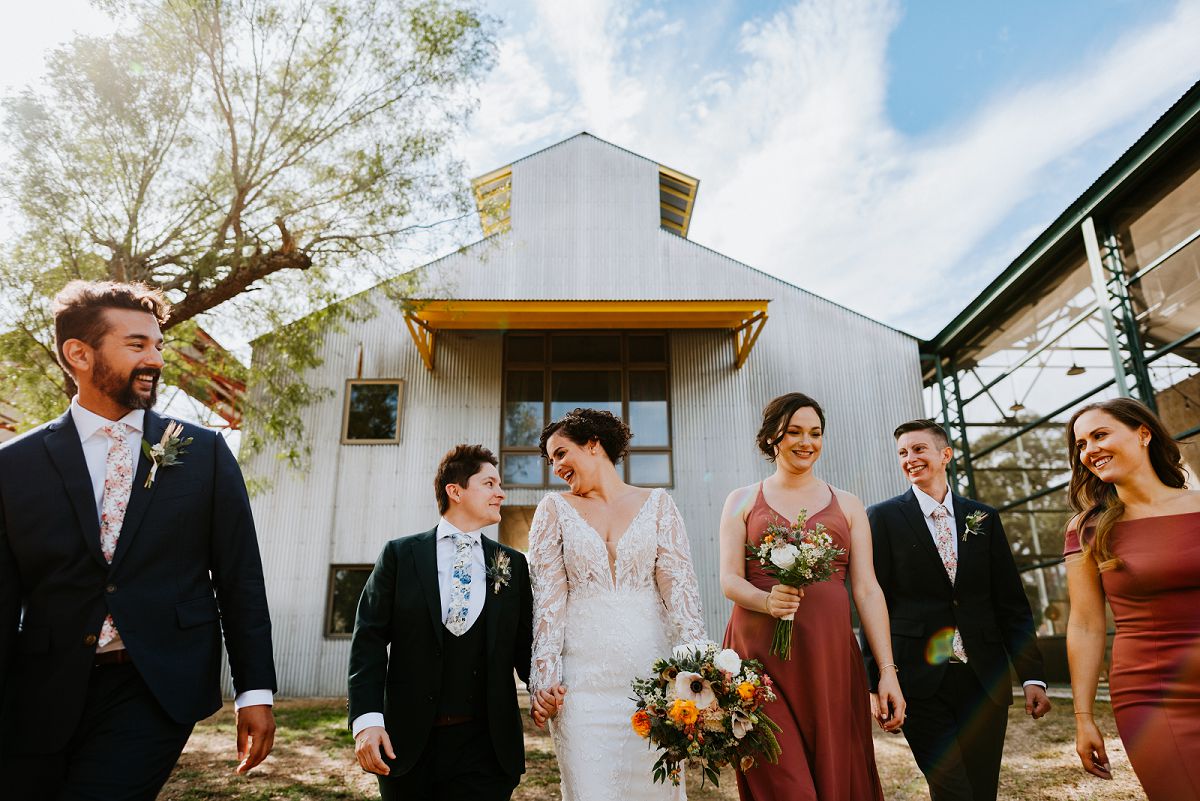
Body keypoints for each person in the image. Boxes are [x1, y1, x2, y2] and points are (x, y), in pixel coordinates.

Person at [0, 280, 277, 801]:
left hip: (155, 685)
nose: (156, 359)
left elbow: (240, 577)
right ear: (78, 354)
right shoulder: (13, 465)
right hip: (39, 688)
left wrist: (254, 690)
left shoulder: (205, 454)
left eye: (158, 346)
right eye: (137, 345)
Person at [720, 392, 901, 801]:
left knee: (835, 776)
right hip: (758, 660)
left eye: (816, 433)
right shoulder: (742, 500)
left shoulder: (849, 505)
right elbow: (729, 580)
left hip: (828, 660)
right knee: (784, 782)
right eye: (795, 432)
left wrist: (887, 670)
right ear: (772, 439)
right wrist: (766, 601)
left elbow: (868, 589)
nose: (807, 442)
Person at [864, 418, 1050, 801]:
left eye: (919, 449)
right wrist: (876, 680)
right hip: (919, 679)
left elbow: (1011, 602)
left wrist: (1032, 676)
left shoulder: (982, 517)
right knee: (951, 788)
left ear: (945, 454)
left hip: (983, 679)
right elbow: (871, 601)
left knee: (982, 789)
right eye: (902, 453)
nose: (910, 458)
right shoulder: (882, 518)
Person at [527, 408, 706, 801]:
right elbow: (547, 606)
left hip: (652, 684)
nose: (555, 467)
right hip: (581, 690)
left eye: (560, 454)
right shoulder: (553, 511)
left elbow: (682, 598)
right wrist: (544, 679)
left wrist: (699, 678)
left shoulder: (659, 505)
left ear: (593, 444)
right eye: (550, 460)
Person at [348, 444, 533, 800]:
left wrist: (547, 687)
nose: (501, 493)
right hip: (406, 746)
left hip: (487, 750)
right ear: (456, 491)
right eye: (489, 483)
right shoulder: (400, 556)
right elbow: (367, 641)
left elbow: (525, 649)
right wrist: (367, 721)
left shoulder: (512, 564)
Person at [1064, 398, 1200, 799]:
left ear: (1143, 433)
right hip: (1153, 696)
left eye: (1100, 435)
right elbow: (1086, 625)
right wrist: (1083, 717)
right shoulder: (1087, 528)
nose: (1090, 450)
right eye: (1081, 444)